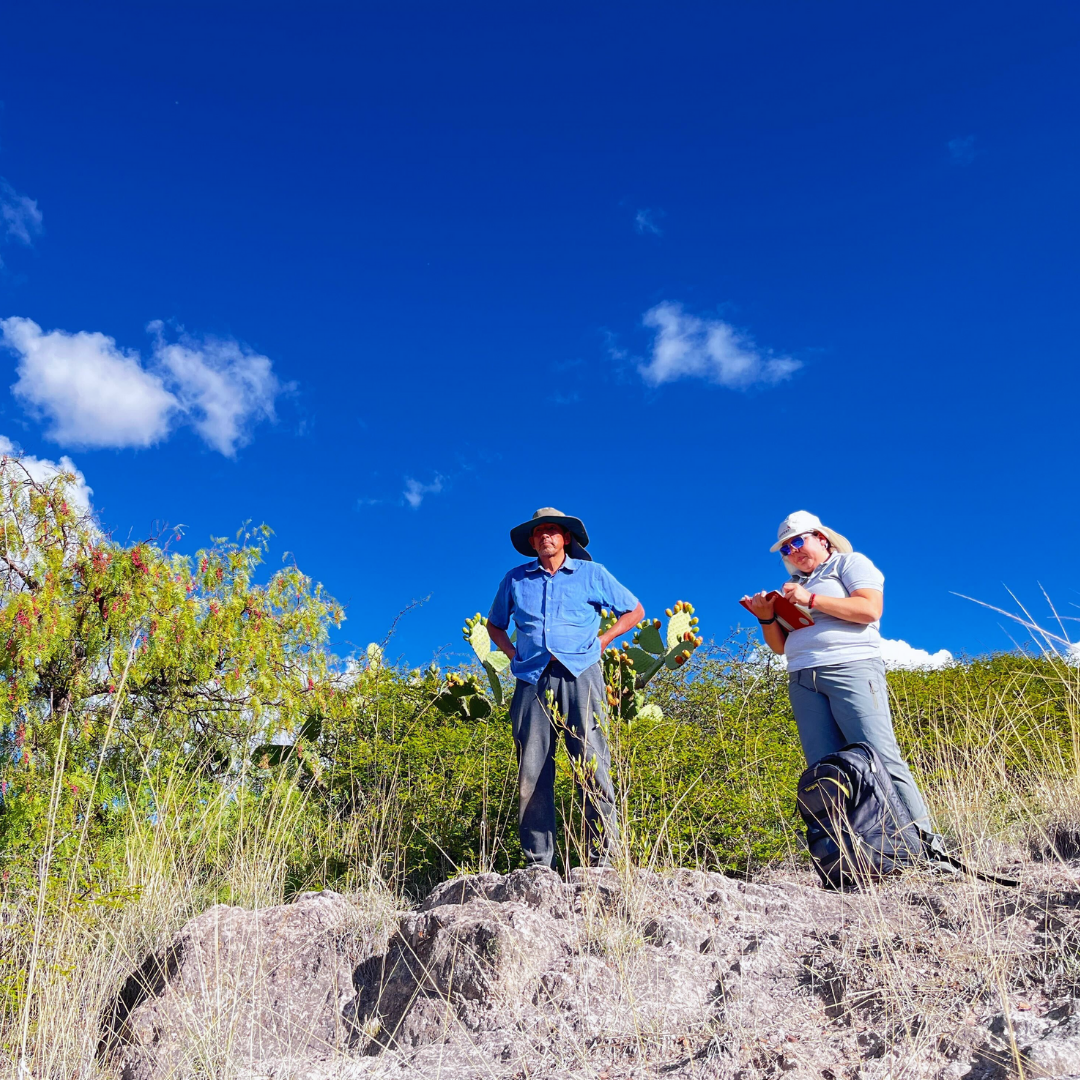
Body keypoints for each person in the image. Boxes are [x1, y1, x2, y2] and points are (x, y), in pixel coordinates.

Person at [742, 510, 933, 833]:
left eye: (798, 541)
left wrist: (812, 598)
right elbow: (779, 646)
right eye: (786, 549)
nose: (793, 552)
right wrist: (766, 616)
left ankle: (927, 846)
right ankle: (853, 855)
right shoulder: (794, 585)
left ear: (821, 537)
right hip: (802, 677)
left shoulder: (849, 564)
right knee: (827, 770)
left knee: (880, 757)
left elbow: (869, 609)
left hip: (851, 666)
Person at [487, 507, 645, 870]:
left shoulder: (591, 574)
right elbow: (495, 625)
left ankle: (602, 860)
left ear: (566, 538)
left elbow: (634, 610)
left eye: (552, 531)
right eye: (538, 532)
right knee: (532, 769)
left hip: (580, 674)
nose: (545, 536)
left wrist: (604, 640)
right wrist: (512, 654)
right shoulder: (515, 579)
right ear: (531, 542)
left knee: (592, 763)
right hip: (531, 678)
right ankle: (538, 865)